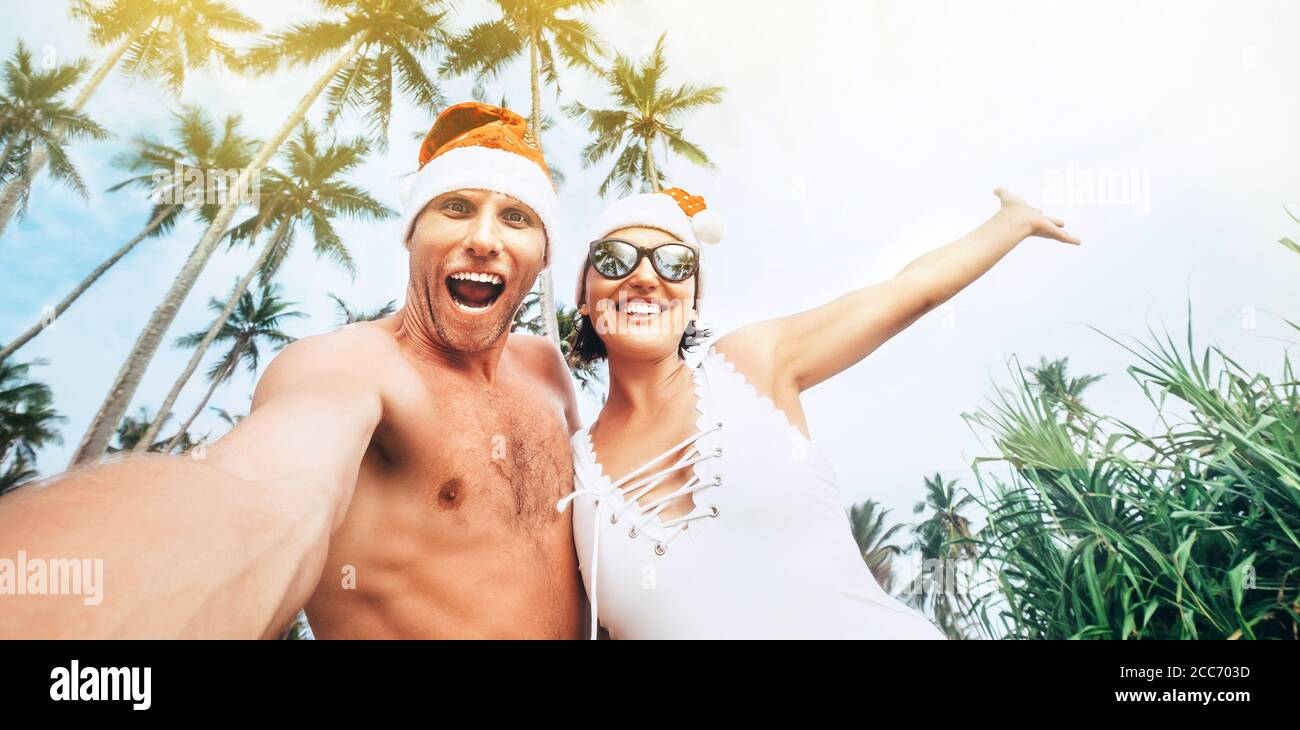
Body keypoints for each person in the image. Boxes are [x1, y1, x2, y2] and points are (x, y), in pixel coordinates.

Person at [0, 102, 585, 639]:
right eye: (455, 208)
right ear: (412, 236)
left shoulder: (546, 371)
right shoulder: (351, 365)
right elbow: (256, 492)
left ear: (543, 253)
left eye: (515, 217)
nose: (484, 238)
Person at [557, 185, 1080, 639]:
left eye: (674, 261)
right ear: (584, 296)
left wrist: (1010, 223)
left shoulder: (753, 365)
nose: (645, 277)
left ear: (694, 300)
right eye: (614, 259)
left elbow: (909, 291)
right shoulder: (571, 477)